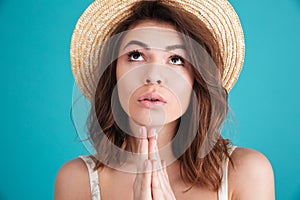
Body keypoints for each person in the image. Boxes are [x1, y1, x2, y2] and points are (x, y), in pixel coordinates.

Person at [54, 0, 275, 199]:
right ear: (113, 74)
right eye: (136, 55)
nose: (154, 76)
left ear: (195, 81)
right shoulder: (76, 180)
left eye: (176, 59)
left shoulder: (247, 173)